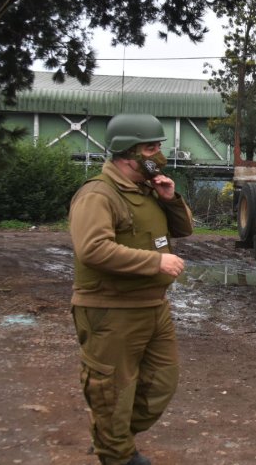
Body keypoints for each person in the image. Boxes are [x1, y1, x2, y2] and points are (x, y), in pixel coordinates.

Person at [69, 114, 193, 465]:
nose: (158, 154)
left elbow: (183, 231)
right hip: (110, 309)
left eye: (158, 146)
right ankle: (116, 453)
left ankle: (112, 436)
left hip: (153, 304)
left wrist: (169, 198)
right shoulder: (98, 194)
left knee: (160, 385)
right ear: (128, 152)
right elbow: (92, 249)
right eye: (151, 147)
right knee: (112, 392)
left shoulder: (147, 191)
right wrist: (155, 262)